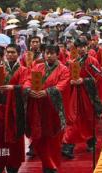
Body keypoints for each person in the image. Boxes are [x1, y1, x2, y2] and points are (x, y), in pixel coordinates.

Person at [0, 45, 29, 173]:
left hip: (15, 111)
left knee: (14, 140)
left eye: (13, 52)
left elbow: (27, 85)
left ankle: (13, 165)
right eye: (8, 52)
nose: (10, 55)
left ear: (18, 54)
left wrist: (14, 88)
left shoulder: (24, 70)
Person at [25, 45, 70, 173]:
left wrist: (47, 92)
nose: (48, 56)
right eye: (46, 53)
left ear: (57, 54)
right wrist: (28, 90)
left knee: (53, 141)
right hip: (38, 108)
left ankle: (53, 166)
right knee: (38, 138)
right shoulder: (38, 67)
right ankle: (47, 164)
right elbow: (29, 80)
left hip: (53, 109)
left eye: (51, 53)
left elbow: (63, 84)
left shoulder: (64, 69)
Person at [62, 38, 102, 159]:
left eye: (84, 46)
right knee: (74, 119)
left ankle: (91, 140)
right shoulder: (73, 62)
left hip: (88, 95)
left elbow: (98, 78)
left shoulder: (93, 61)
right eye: (79, 47)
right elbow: (67, 77)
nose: (82, 49)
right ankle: (68, 145)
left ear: (87, 47)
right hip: (75, 94)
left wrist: (84, 81)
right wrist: (71, 81)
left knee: (88, 118)